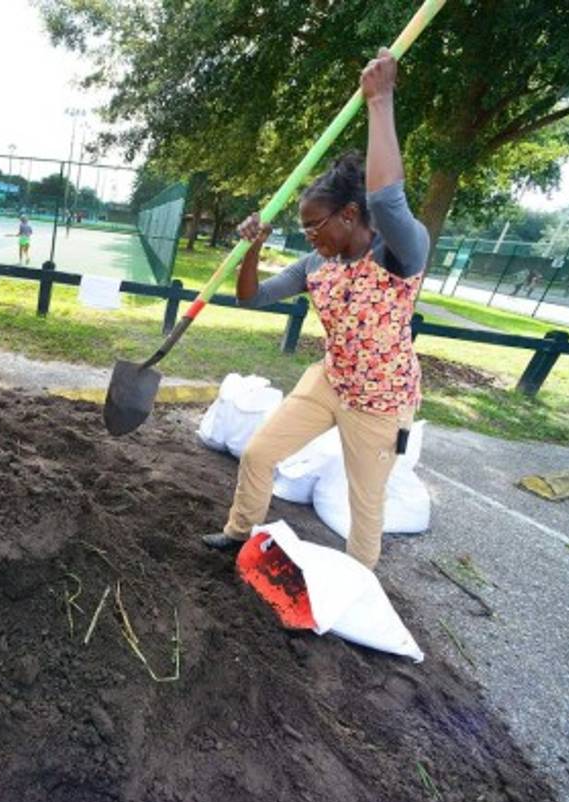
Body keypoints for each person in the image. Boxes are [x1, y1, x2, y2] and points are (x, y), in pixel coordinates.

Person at [200, 48, 429, 570]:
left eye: (314, 226)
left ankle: (355, 586)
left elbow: (387, 202)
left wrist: (381, 101)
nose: (308, 236)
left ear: (348, 215)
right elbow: (251, 297)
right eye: (303, 228)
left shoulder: (398, 253)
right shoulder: (316, 266)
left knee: (364, 507)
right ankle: (238, 534)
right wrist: (253, 247)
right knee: (259, 453)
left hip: (380, 399)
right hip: (330, 380)